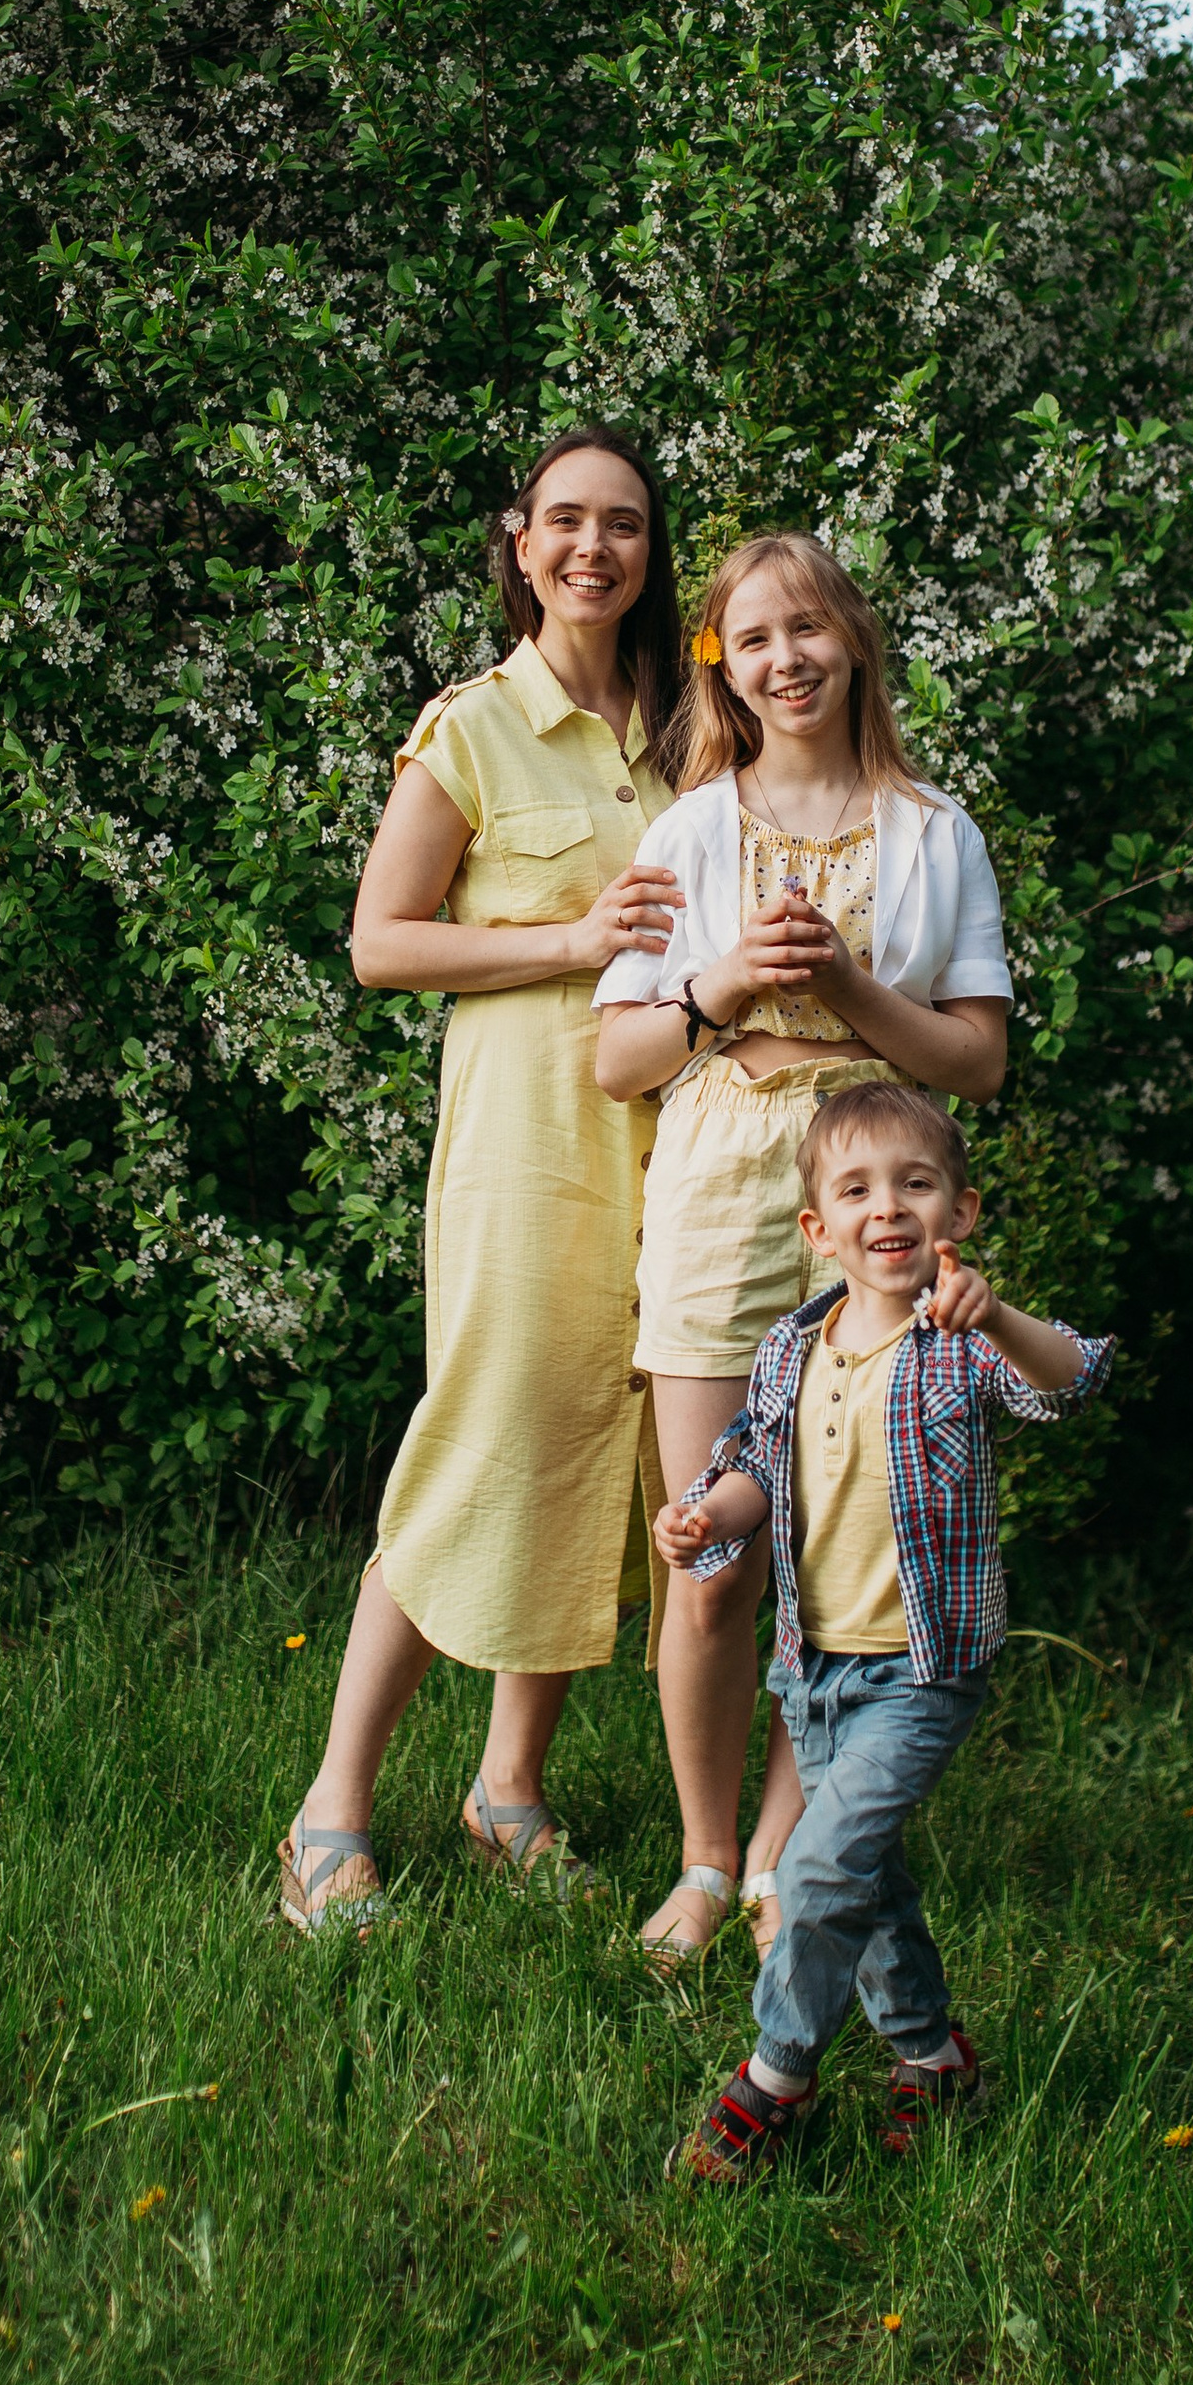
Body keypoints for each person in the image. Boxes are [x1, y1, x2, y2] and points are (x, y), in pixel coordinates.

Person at [279, 427, 687, 1934]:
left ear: (652, 555)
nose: (595, 548)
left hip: (675, 1135)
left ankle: (509, 1789)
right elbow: (383, 945)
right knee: (484, 1435)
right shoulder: (473, 727)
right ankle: (331, 1814)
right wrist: (571, 942)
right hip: (526, 1141)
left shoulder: (686, 726)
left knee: (610, 1434)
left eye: (626, 525)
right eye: (566, 521)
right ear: (521, 544)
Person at [592, 535, 1011, 1964]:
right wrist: (720, 985)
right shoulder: (690, 832)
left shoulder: (935, 832)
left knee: (843, 1553)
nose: (787, 658)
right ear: (722, 661)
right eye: (754, 637)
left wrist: (847, 981)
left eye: (812, 629)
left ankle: (785, 1848)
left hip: (874, 1200)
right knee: (715, 1553)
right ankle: (705, 1855)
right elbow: (615, 1060)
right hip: (720, 1188)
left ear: (857, 644)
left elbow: (976, 1063)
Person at [654, 1081, 1111, 2179]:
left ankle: (774, 2081)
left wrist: (995, 1313)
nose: (887, 1208)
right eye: (856, 1190)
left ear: (958, 1212)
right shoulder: (790, 1349)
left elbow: (1076, 1377)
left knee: (812, 1874)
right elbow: (758, 1463)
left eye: (915, 1184)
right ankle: (931, 2057)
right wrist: (705, 1515)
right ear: (819, 1230)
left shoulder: (958, 1339)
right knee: (870, 1877)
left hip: (924, 1666)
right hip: (814, 1672)